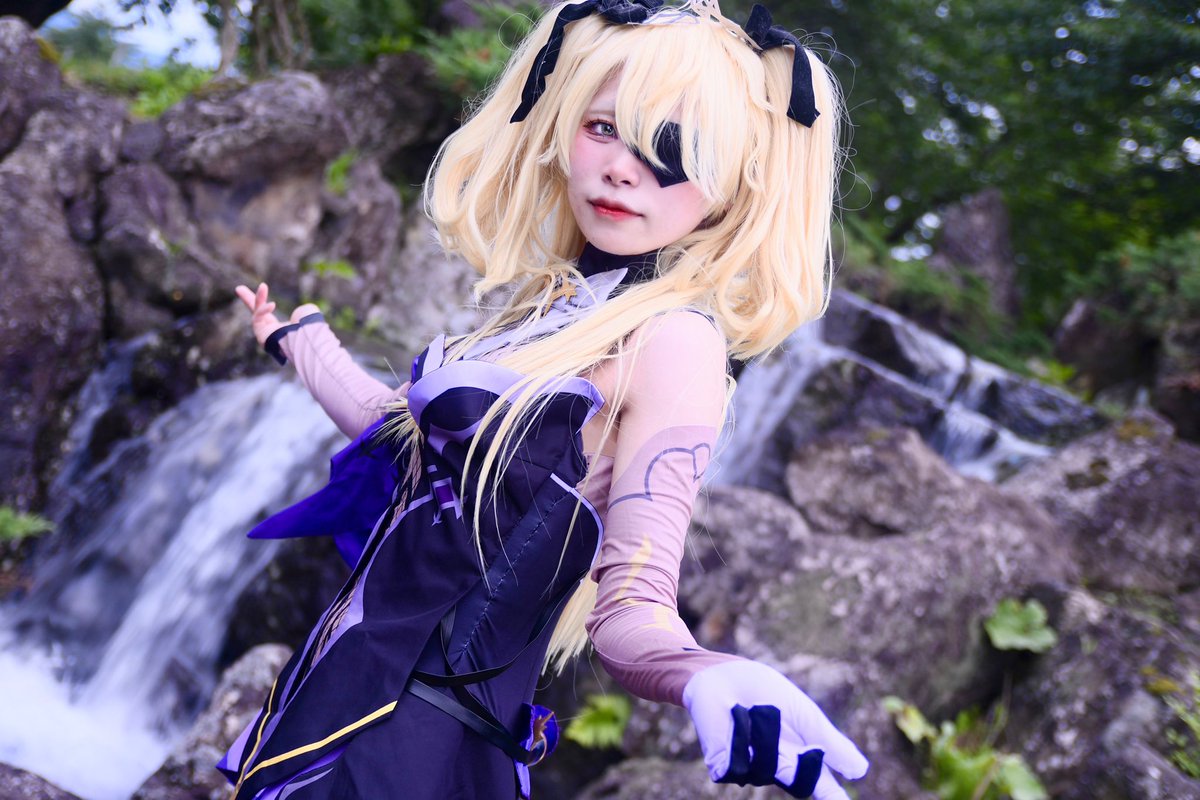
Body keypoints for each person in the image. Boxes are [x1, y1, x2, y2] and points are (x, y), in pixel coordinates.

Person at [221, 0, 868, 797]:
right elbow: (394, 434)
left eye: (678, 150)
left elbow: (633, 601)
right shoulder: (548, 312)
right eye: (604, 128)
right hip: (324, 698)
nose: (623, 168)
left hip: (416, 749)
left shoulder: (674, 341)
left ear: (735, 186)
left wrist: (703, 672)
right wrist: (300, 341)